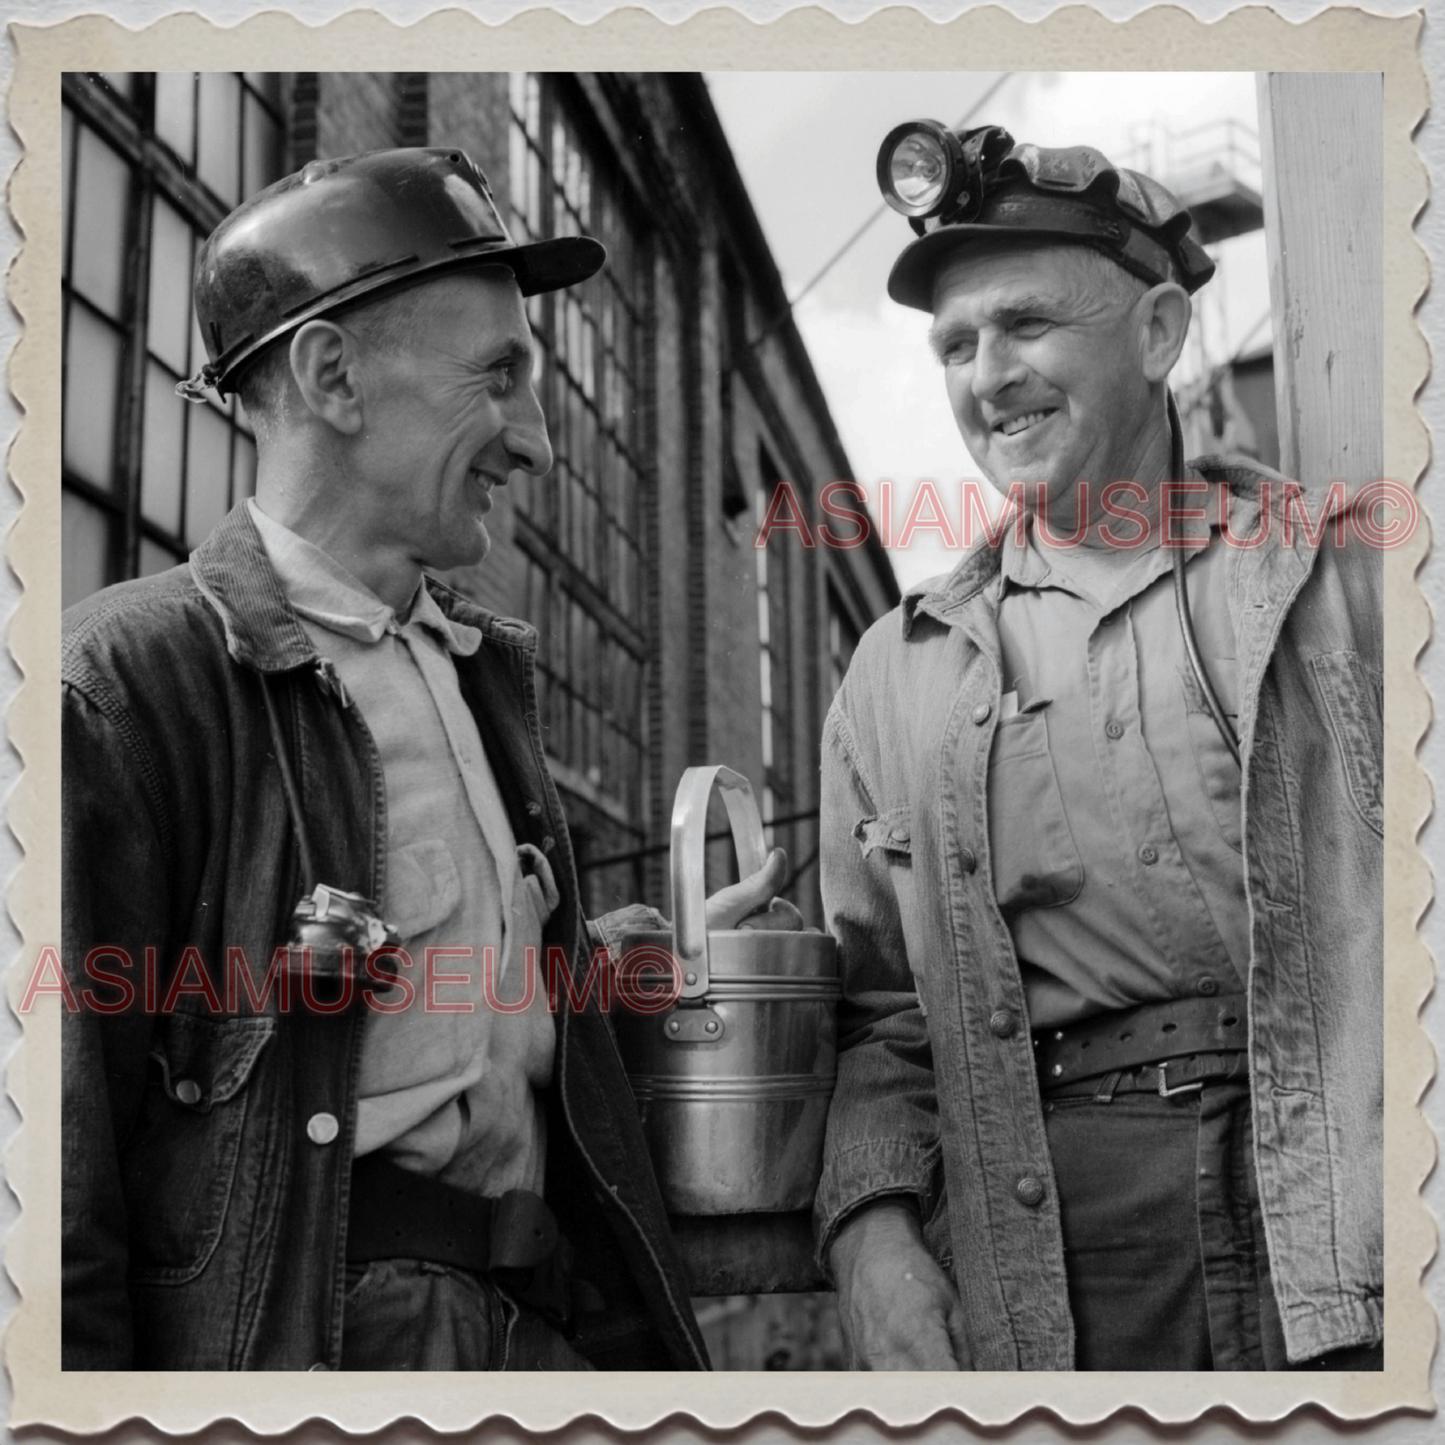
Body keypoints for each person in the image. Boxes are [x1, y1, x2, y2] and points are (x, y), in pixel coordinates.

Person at [61, 147, 798, 1371]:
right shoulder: (124, 684)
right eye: (498, 375)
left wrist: (630, 968)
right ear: (332, 375)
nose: (538, 444)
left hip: (536, 1329)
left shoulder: (471, 673)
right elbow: (50, 1179)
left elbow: (465, 1031)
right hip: (333, 1348)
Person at [816, 123, 1383, 1371]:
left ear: (1158, 332)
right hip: (1053, 1247)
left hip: (1348, 1213)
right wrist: (869, 1231)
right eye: (955, 345)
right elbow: (874, 1015)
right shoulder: (893, 675)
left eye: (1024, 325)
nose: (985, 376)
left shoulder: (1334, 580)